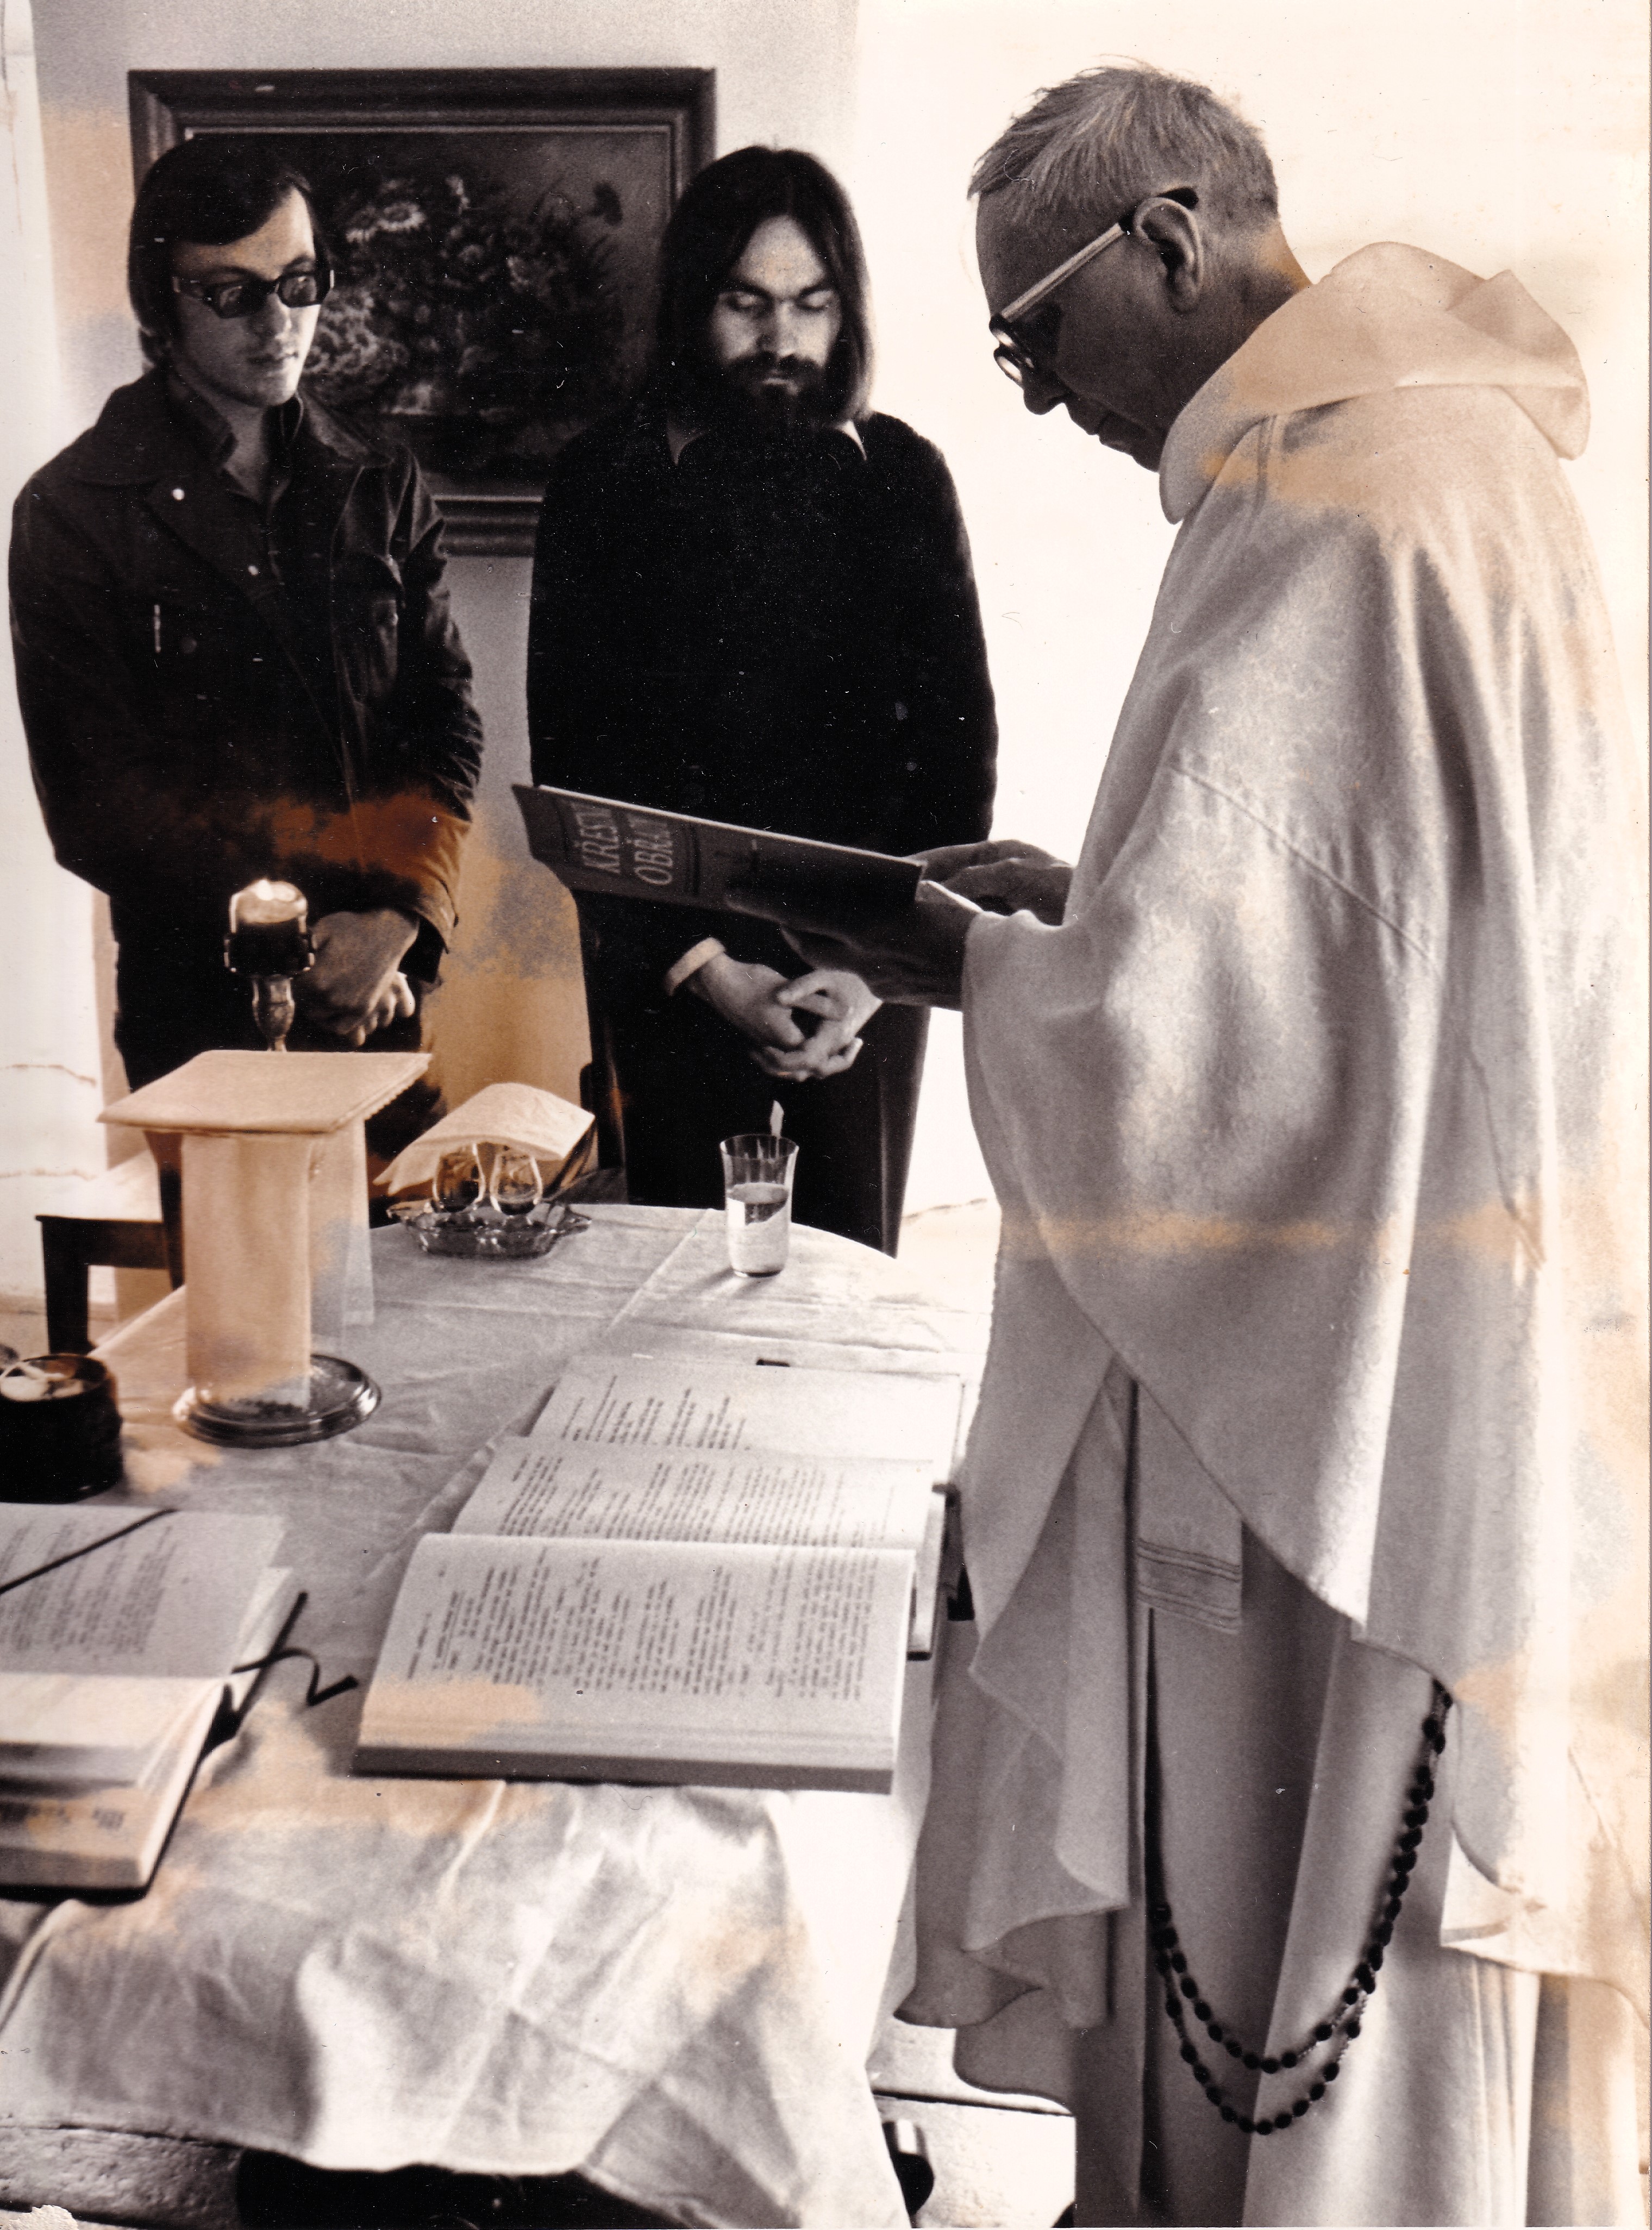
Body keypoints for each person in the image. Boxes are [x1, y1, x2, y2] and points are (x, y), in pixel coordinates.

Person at [790, 64, 1647, 2226]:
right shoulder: (1426, 452)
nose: (1029, 388)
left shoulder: (1350, 501)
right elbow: (1354, 957)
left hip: (1350, 1355)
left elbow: (1224, 1047)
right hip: (1415, 1282)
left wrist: (973, 967)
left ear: (1170, 237)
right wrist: (1081, 912)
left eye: (1033, 328)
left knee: (1302, 1919)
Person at [527, 146, 996, 1253]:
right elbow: (577, 767)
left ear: (846, 314)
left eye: (811, 304)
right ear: (693, 306)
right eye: (747, 304)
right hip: (669, 972)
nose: (782, 339)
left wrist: (871, 975)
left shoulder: (905, 479)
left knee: (848, 1279)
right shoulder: (600, 484)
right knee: (671, 1282)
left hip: (865, 986)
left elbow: (957, 755)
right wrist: (706, 971)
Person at [10, 137, 483, 1150]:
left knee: (411, 1254)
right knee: (238, 1264)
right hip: (203, 1018)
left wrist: (398, 919)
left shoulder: (380, 477)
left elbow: (444, 724)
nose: (280, 325)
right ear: (161, 302)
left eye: (300, 283)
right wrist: (296, 946)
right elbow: (97, 805)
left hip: (380, 993)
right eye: (231, 295)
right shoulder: (74, 508)